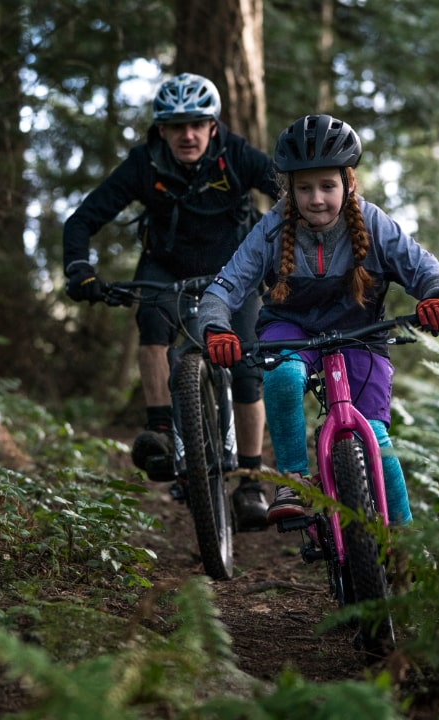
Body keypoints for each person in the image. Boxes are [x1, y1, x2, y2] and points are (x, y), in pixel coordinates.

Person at [197, 113, 439, 526]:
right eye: (304, 188)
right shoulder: (271, 229)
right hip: (291, 327)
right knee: (282, 377)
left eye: (327, 186)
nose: (316, 198)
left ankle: (410, 544)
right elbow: (223, 288)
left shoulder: (373, 224)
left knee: (375, 437)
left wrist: (437, 297)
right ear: (288, 189)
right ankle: (293, 481)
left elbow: (424, 269)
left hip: (360, 333)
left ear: (348, 182)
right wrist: (216, 327)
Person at [61, 73, 281, 531]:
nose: (188, 134)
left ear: (213, 126)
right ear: (161, 129)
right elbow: (82, 220)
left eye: (197, 123)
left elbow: (288, 195)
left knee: (246, 365)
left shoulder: (237, 154)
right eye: (176, 125)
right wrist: (79, 269)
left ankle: (250, 482)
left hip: (235, 268)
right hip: (166, 266)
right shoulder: (144, 163)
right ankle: (161, 430)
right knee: (153, 321)